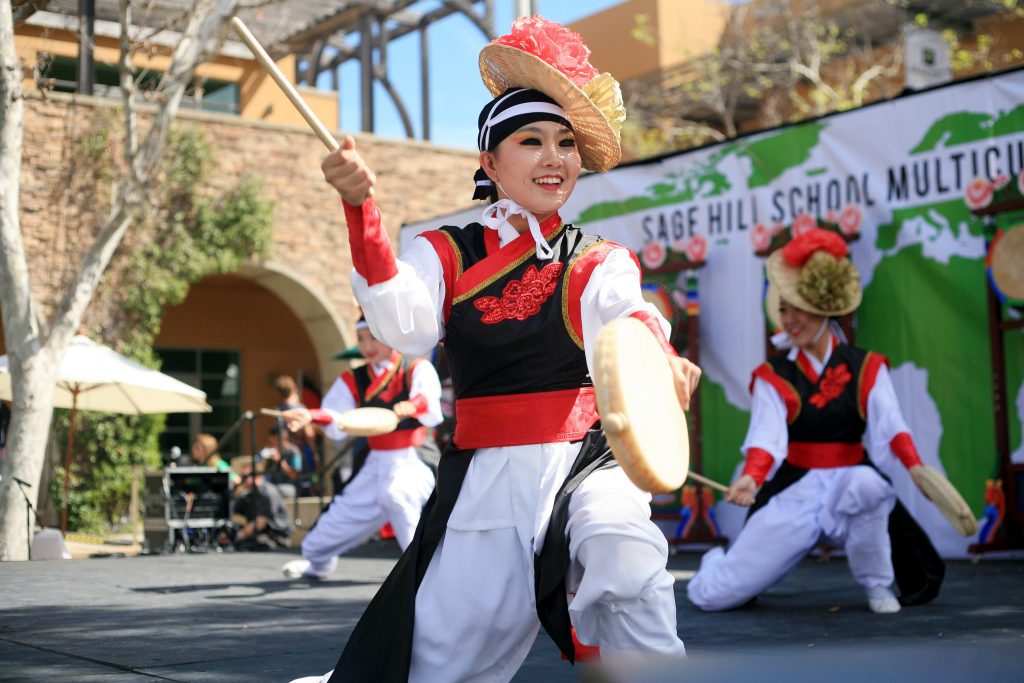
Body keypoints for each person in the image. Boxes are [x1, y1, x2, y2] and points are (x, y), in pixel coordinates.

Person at [288, 16, 701, 683]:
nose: (554, 158)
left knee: (624, 559)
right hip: (484, 480)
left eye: (565, 143)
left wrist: (662, 356)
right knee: (439, 668)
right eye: (531, 141)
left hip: (586, 461)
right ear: (490, 161)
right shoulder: (445, 251)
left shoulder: (599, 260)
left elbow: (629, 317)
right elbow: (402, 326)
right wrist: (361, 211)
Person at [687, 228, 942, 615]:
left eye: (798, 307)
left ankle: (877, 587)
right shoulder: (774, 375)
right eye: (783, 308)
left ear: (825, 306)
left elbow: (891, 426)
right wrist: (752, 477)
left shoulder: (866, 367)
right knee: (712, 598)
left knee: (870, 486)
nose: (788, 319)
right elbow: (767, 438)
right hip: (797, 488)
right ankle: (717, 565)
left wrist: (917, 469)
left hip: (849, 482)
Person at [280, 317, 443, 580]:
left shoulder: (415, 368)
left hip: (412, 459)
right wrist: (310, 416)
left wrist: (413, 405)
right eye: (361, 338)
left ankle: (423, 571)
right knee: (316, 544)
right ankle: (319, 565)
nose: (367, 345)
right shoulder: (353, 378)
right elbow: (337, 416)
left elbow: (429, 403)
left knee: (397, 494)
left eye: (373, 337)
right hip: (374, 462)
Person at [233, 457, 292, 550]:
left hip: (276, 538)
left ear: (256, 475)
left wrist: (241, 534)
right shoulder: (249, 494)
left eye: (245, 476)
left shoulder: (268, 492)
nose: (242, 479)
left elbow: (260, 522)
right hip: (259, 537)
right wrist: (238, 487)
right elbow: (235, 513)